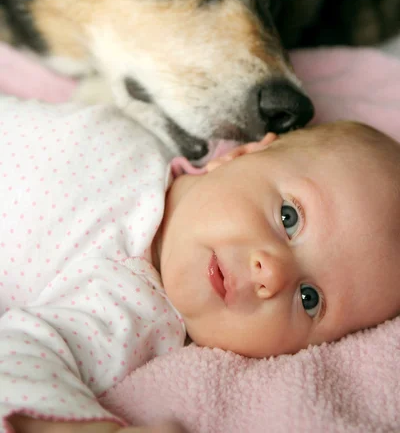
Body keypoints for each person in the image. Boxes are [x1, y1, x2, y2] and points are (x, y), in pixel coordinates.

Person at [1, 97, 400, 433]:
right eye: (288, 218)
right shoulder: (162, 129)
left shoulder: (127, 311)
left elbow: (16, 357)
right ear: (240, 154)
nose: (271, 274)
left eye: (309, 298)